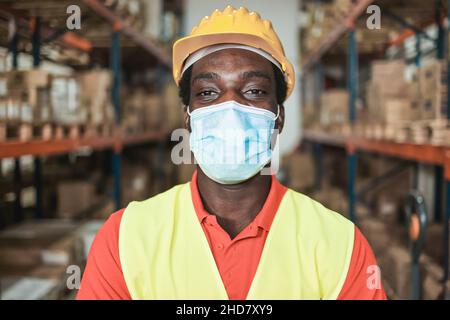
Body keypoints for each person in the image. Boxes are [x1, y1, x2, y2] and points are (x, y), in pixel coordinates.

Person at [77, 6, 386, 300]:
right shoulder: (125, 240)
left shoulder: (341, 245)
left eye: (253, 91)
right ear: (188, 118)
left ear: (278, 117)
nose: (230, 109)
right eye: (208, 93)